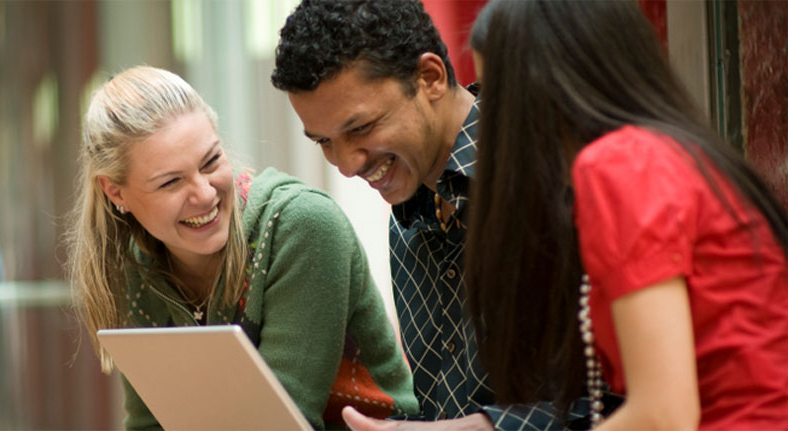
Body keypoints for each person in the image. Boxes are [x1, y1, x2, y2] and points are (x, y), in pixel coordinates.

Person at [465, 0, 788, 429]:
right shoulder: (662, 152)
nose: (488, 122)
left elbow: (663, 415)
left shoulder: (618, 164)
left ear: (543, 83)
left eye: (494, 95)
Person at [272, 1, 592, 429]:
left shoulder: (556, 174)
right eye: (324, 142)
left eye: (361, 128)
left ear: (430, 78)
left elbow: (628, 404)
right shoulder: (408, 209)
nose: (346, 165)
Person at [65, 66, 419, 430]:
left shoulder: (302, 225)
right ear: (115, 192)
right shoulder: (134, 269)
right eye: (171, 182)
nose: (205, 194)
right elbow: (150, 423)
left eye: (212, 161)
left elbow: (281, 423)